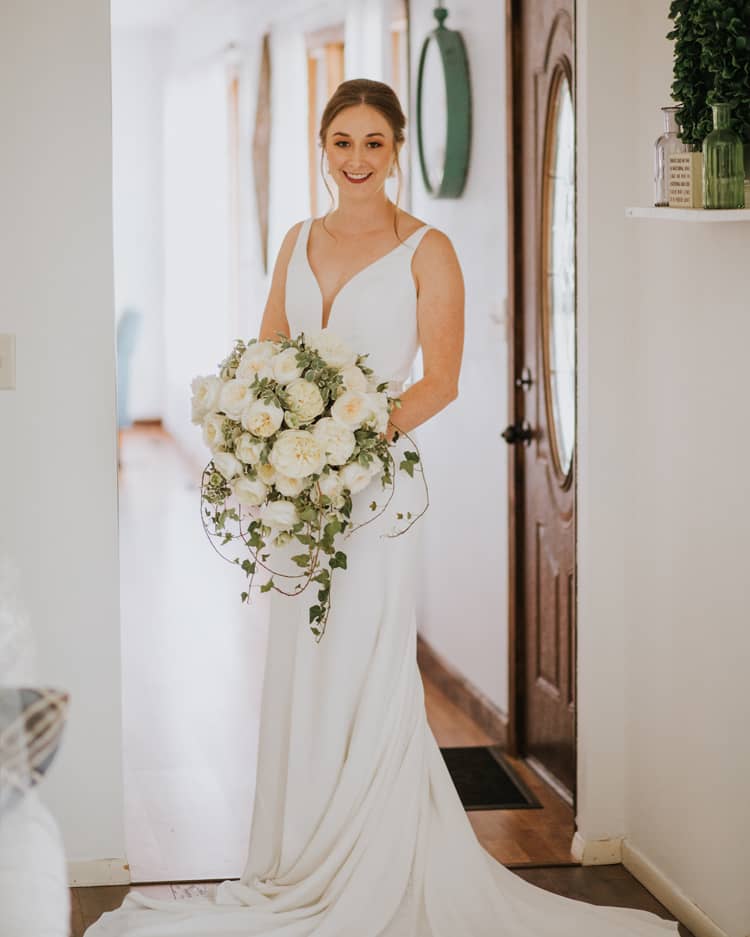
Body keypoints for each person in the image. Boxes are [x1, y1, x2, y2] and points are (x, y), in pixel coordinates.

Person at [84, 78, 680, 936]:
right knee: (303, 669)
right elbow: (267, 355)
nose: (356, 159)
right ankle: (296, 857)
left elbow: (440, 379)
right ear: (321, 148)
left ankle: (372, 860)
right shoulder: (297, 239)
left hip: (374, 492)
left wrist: (344, 442)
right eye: (341, 141)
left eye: (373, 142)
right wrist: (270, 439)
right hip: (298, 495)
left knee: (365, 664)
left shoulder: (426, 249)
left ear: (397, 150)